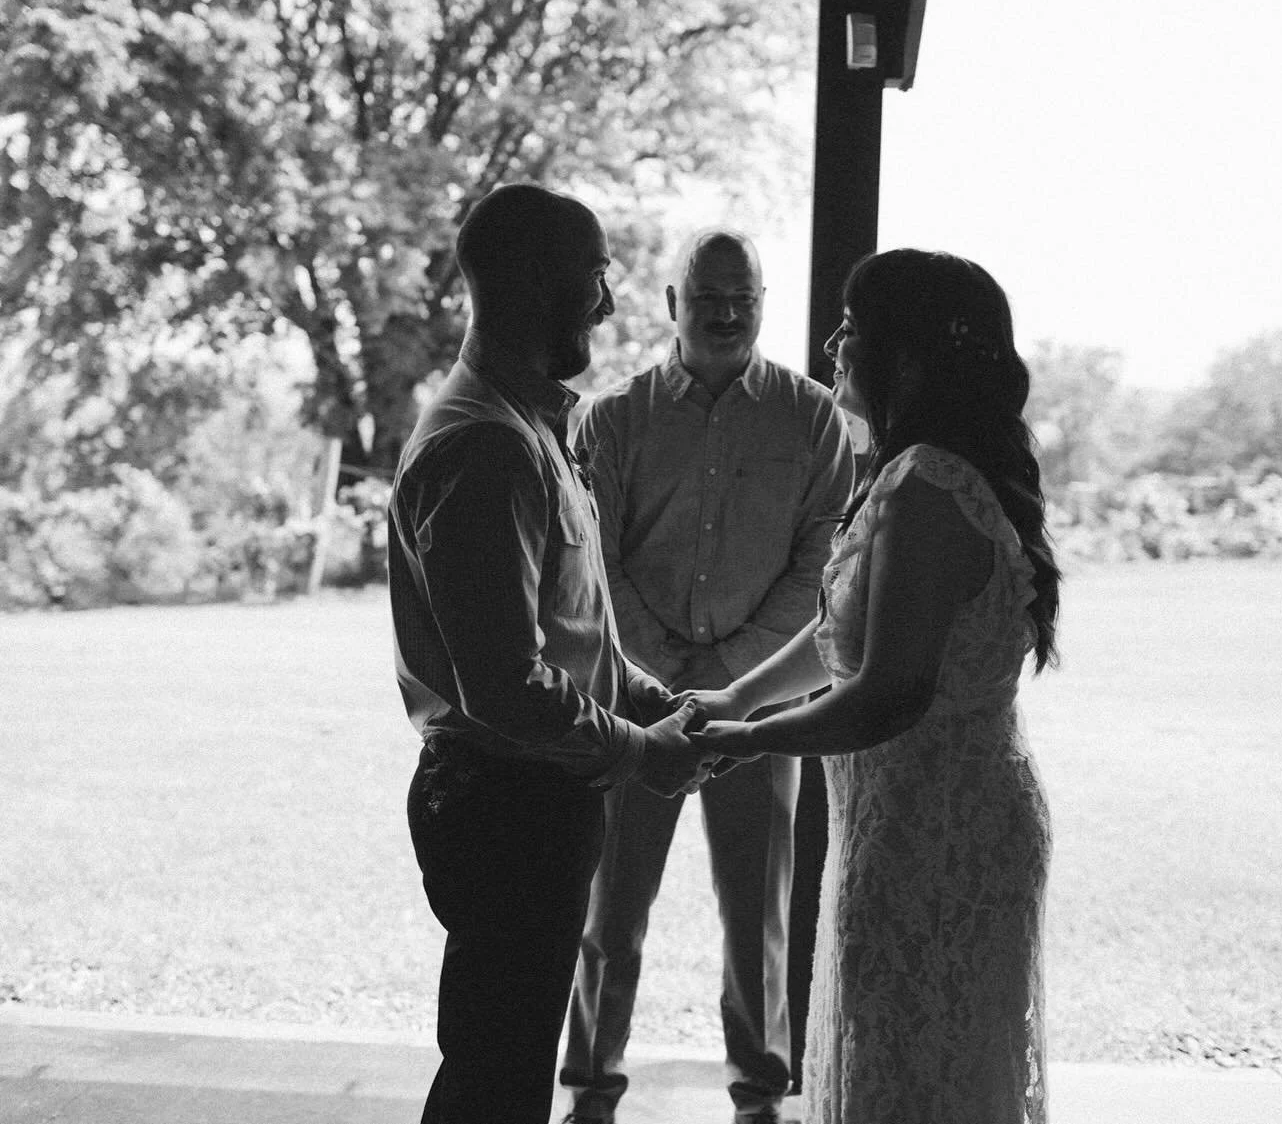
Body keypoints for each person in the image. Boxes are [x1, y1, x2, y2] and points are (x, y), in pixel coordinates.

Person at [684, 249, 1062, 1124]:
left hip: (937, 833)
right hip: (910, 819)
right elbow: (843, 643)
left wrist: (747, 742)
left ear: (907, 359)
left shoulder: (927, 485)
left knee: (914, 1072)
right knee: (904, 1062)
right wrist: (740, 699)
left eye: (851, 330)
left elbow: (888, 692)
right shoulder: (919, 473)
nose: (831, 344)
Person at [388, 182, 713, 1124]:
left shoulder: (535, 426)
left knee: (510, 1067)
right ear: (536, 281)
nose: (610, 302)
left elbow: (573, 638)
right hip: (503, 808)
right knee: (495, 1082)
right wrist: (641, 750)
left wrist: (655, 704)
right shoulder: (485, 446)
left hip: (531, 800)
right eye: (595, 276)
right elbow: (503, 683)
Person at [560, 230, 855, 1124]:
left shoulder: (813, 419)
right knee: (609, 913)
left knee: (759, 915)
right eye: (709, 295)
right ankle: (591, 1090)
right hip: (631, 710)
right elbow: (593, 562)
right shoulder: (611, 419)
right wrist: (659, 679)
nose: (727, 313)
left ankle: (760, 1094)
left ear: (764, 301)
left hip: (761, 712)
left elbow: (823, 564)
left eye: (745, 297)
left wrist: (734, 680)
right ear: (671, 302)